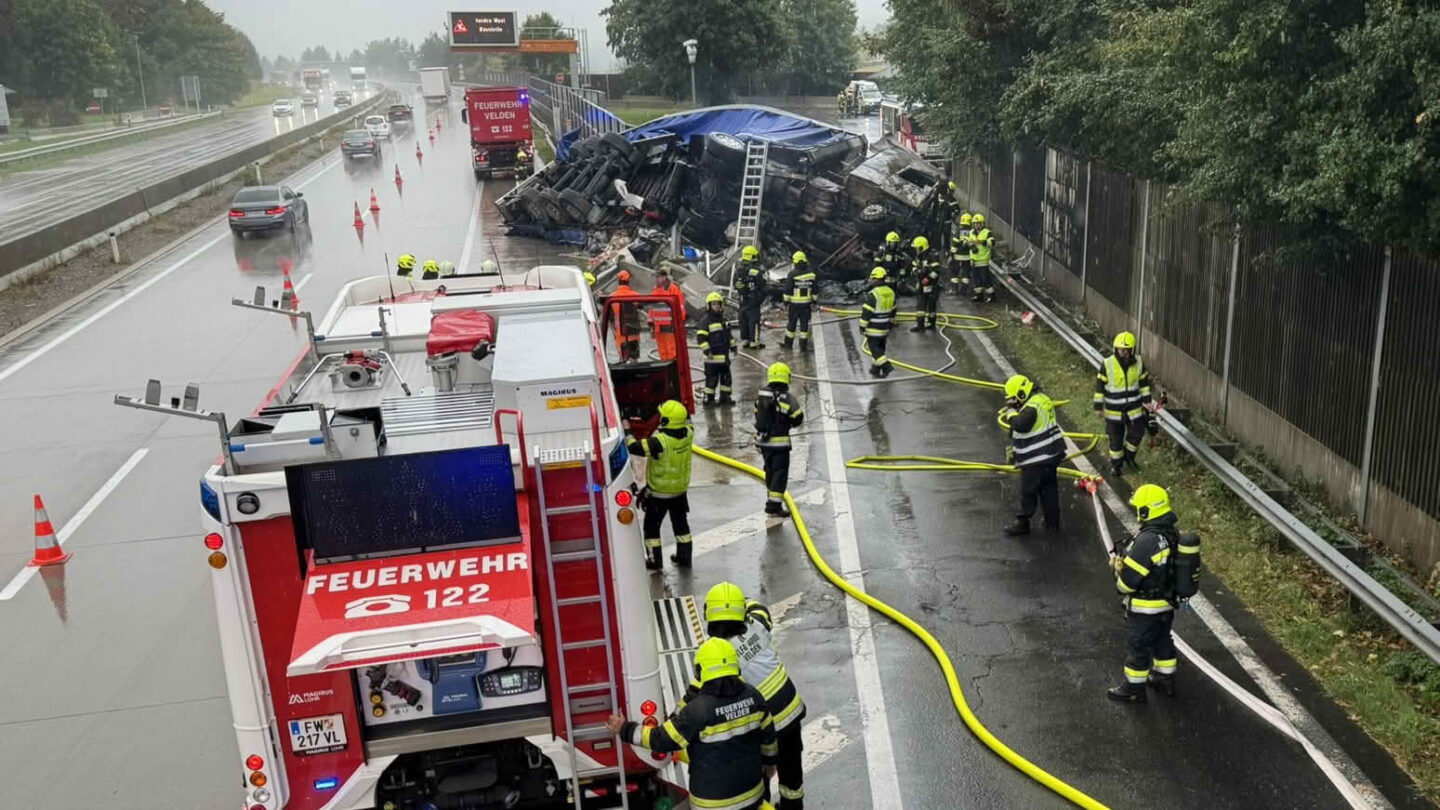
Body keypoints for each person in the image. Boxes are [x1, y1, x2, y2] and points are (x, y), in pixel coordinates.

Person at [606, 637, 777, 810]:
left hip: (711, 805)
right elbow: (769, 738)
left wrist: (625, 729)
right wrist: (770, 763)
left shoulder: (698, 710)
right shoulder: (753, 696)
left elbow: (662, 739)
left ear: (700, 671)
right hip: (752, 797)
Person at [702, 583, 807, 809]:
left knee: (760, 774)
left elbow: (702, 689)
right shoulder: (757, 624)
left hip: (763, 725)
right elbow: (759, 608)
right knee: (791, 771)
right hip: (791, 711)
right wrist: (739, 603)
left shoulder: (721, 653)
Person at [1108, 484, 1186, 703]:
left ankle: (1134, 688)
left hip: (1145, 608)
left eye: (1139, 509)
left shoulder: (1147, 540)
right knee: (1162, 640)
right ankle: (1165, 679)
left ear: (1146, 511)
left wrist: (1117, 572)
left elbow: (1127, 584)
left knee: (1138, 646)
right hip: (1166, 604)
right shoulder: (1171, 533)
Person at [625, 399, 694, 569]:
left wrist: (627, 431)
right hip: (679, 492)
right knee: (681, 525)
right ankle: (684, 557)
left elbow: (634, 447)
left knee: (651, 527)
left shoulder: (659, 442)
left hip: (659, 494)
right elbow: (688, 421)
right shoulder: (688, 434)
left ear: (665, 421)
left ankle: (655, 560)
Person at [1001, 374, 1065, 535]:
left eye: (1014, 399)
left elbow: (1020, 425)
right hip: (1051, 456)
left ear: (1022, 394)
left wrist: (1011, 413)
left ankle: (1023, 522)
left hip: (1036, 459)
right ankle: (1053, 523)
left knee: (1028, 491)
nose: (1013, 403)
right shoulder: (1041, 399)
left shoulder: (1030, 408)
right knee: (1049, 490)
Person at [1093, 331, 1154, 477]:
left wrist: (1147, 401)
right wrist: (1098, 406)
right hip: (1114, 412)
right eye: (1121, 349)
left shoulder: (1138, 362)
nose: (1124, 352)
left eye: (1127, 350)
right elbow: (1099, 387)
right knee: (1115, 441)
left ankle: (1129, 456)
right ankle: (1116, 465)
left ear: (1132, 350)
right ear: (1116, 349)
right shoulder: (1107, 364)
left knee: (1137, 433)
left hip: (1134, 409)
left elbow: (1144, 384)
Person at [755, 362, 804, 516]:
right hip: (780, 446)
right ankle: (774, 506)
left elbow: (757, 414)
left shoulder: (761, 397)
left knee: (770, 471)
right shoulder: (789, 399)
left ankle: (771, 498)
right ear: (786, 378)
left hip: (764, 444)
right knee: (780, 473)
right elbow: (797, 418)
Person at [697, 291, 736, 406]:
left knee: (726, 378)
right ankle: (709, 399)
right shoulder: (706, 320)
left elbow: (728, 335)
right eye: (714, 304)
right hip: (712, 358)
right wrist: (707, 351)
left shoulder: (723, 320)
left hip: (724, 357)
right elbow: (701, 338)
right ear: (709, 306)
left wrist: (733, 346)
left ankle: (725, 397)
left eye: (718, 304)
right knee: (712, 380)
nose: (716, 306)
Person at [859, 267, 896, 378]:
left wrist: (862, 326)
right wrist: (890, 324)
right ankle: (875, 368)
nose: (871, 281)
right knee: (880, 347)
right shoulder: (891, 292)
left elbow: (866, 313)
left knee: (874, 349)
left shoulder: (873, 294)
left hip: (874, 327)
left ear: (876, 279)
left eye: (872, 279)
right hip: (886, 326)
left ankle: (886, 366)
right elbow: (894, 310)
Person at [649, 267, 687, 361]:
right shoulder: (655, 291)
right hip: (658, 327)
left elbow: (680, 308)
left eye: (658, 277)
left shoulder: (673, 289)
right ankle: (665, 366)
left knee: (671, 350)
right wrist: (651, 326)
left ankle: (672, 367)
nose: (656, 279)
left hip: (670, 326)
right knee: (662, 350)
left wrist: (679, 324)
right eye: (655, 277)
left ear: (664, 277)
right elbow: (652, 310)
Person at [735, 245, 767, 349]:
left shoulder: (738, 270)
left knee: (743, 320)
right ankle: (754, 342)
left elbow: (735, 284)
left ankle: (746, 340)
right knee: (754, 320)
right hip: (753, 300)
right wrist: (761, 297)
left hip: (742, 299)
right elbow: (762, 286)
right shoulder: (756, 271)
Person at [781, 252, 816, 351]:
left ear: (795, 262)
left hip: (794, 305)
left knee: (791, 324)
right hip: (806, 305)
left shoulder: (792, 274)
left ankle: (788, 344)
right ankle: (803, 346)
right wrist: (814, 302)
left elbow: (787, 290)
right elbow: (815, 289)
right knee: (804, 325)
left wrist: (785, 302)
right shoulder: (811, 274)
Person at [609, 269, 642, 362]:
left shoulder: (612, 297)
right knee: (634, 360)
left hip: (620, 334)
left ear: (618, 281)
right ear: (629, 281)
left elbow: (610, 317)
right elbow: (641, 307)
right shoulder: (636, 295)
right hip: (633, 333)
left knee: (622, 360)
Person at [909, 236, 941, 332]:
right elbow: (914, 267)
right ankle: (920, 324)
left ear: (922, 247)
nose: (916, 250)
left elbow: (936, 272)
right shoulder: (918, 257)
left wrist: (927, 279)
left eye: (917, 248)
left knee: (931, 305)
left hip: (931, 285)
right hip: (921, 284)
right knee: (920, 305)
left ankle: (932, 323)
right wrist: (915, 271)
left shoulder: (932, 256)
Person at [968, 214, 995, 303]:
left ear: (982, 224)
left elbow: (992, 242)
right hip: (974, 260)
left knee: (985, 280)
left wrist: (981, 242)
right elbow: (968, 241)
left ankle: (991, 296)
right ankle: (979, 296)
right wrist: (970, 245)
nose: (976, 225)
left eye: (978, 223)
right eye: (975, 223)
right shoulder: (971, 232)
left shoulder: (987, 232)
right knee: (976, 280)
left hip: (983, 260)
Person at [950, 213, 974, 296]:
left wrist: (951, 255)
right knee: (966, 274)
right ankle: (963, 291)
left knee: (954, 273)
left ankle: (955, 289)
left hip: (957, 256)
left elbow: (955, 244)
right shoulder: (972, 232)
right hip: (967, 257)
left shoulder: (959, 231)